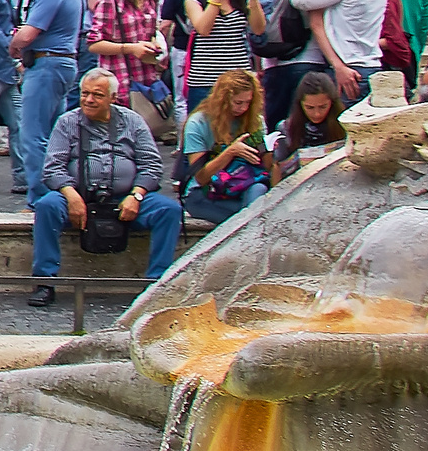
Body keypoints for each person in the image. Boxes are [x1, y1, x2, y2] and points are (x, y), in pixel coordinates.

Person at [27, 70, 185, 305]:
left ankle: (156, 283)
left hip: (124, 197)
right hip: (78, 195)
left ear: (113, 97)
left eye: (97, 95)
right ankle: (44, 281)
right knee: (46, 206)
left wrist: (136, 195)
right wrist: (71, 195)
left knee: (169, 211)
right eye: (85, 94)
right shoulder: (67, 122)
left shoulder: (133, 121)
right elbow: (52, 168)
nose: (89, 100)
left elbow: (152, 165)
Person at [3, 0, 88, 209]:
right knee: (54, 136)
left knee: (33, 135)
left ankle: (41, 197)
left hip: (47, 63)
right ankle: (58, 191)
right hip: (61, 62)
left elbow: (28, 34)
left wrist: (14, 45)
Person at [180, 68, 270, 225]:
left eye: (248, 103)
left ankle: (251, 227)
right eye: (238, 103)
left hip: (242, 186)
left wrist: (269, 150)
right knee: (250, 217)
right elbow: (200, 178)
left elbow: (265, 169)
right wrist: (230, 152)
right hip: (206, 193)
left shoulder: (255, 121)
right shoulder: (198, 123)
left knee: (258, 190)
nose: (243, 108)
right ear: (223, 100)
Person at [268, 72, 347, 179]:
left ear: (332, 103)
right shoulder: (286, 128)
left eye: (323, 107)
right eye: (310, 107)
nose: (317, 114)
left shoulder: (345, 124)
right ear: (300, 104)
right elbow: (278, 167)